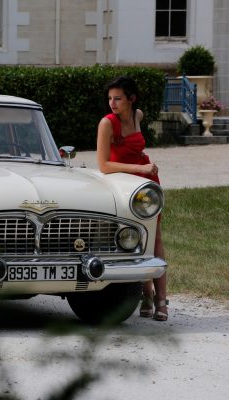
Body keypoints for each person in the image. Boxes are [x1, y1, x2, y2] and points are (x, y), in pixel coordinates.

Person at [96, 76, 168, 321]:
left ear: (131, 99)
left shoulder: (137, 115)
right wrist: (141, 169)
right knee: (137, 238)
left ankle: (161, 300)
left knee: (155, 236)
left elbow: (138, 139)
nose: (112, 103)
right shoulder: (107, 123)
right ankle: (146, 295)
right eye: (109, 99)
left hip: (147, 181)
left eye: (117, 98)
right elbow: (103, 165)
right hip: (125, 181)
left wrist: (146, 169)